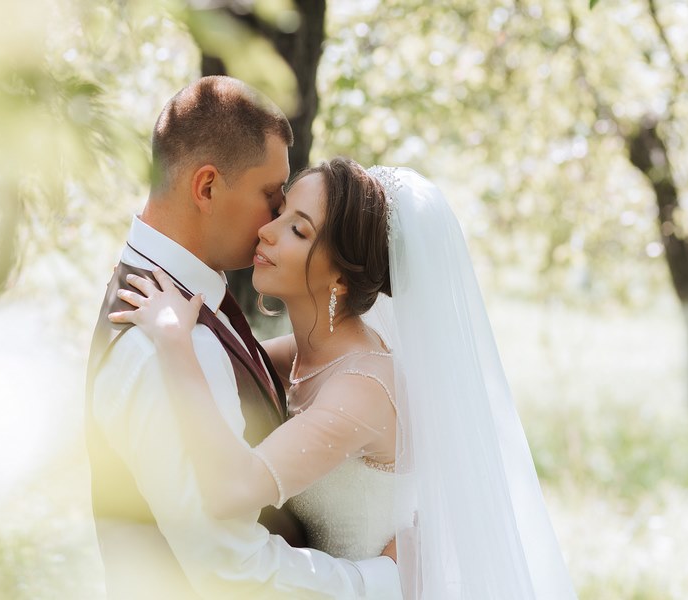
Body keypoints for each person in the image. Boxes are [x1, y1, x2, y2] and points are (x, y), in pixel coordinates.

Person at [112, 158, 579, 598]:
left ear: (338, 277)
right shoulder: (307, 354)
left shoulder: (362, 388)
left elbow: (234, 487)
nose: (266, 232)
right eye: (278, 212)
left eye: (297, 229)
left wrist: (175, 341)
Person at [85, 77, 402, 599]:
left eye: (294, 220)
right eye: (270, 197)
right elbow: (231, 568)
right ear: (207, 187)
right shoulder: (162, 336)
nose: (271, 223)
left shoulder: (189, 313)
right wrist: (380, 581)